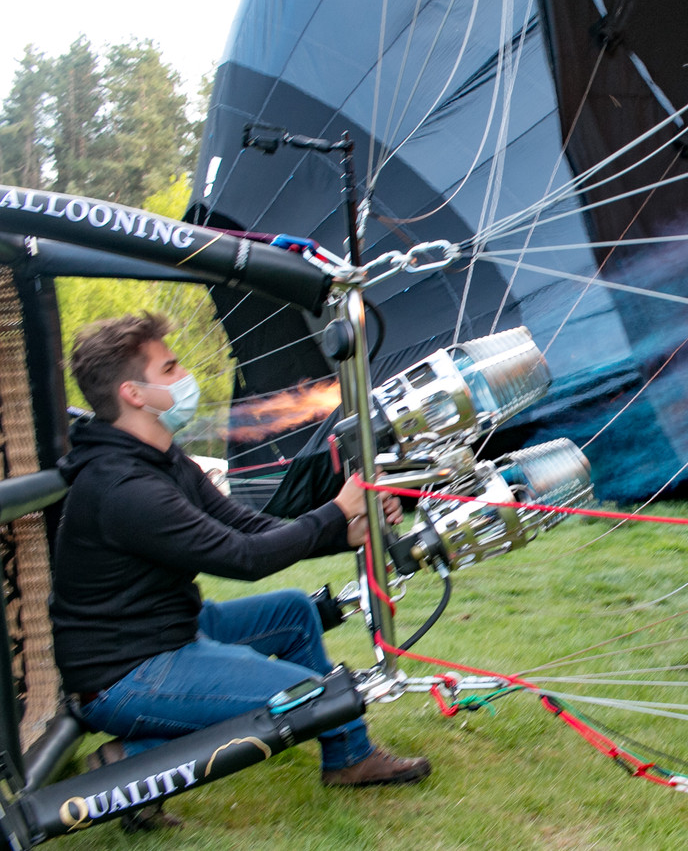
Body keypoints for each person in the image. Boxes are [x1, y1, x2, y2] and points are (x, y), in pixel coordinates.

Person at [49, 312, 429, 831]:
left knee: (295, 613)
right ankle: (131, 762)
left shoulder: (159, 457)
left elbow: (247, 525)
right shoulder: (125, 488)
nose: (185, 377)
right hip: (124, 676)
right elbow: (242, 559)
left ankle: (347, 758)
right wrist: (336, 512)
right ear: (134, 394)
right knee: (311, 695)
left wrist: (342, 531)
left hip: (169, 634)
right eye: (171, 367)